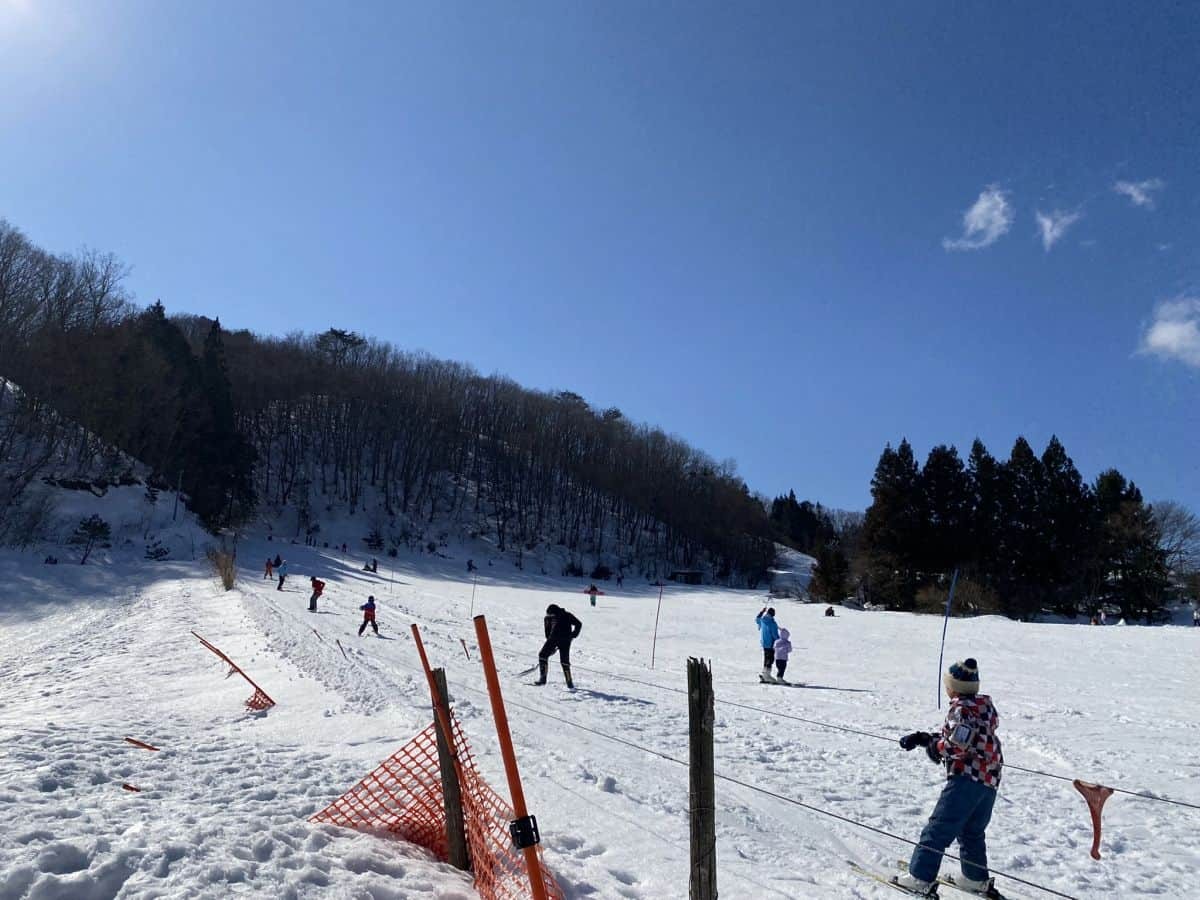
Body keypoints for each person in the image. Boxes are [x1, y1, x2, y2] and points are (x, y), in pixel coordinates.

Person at [894, 659, 1004, 898]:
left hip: (967, 777)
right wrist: (926, 738)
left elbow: (959, 742)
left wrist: (937, 748)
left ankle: (920, 877)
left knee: (939, 828)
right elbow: (970, 736)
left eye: (948, 685)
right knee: (971, 831)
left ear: (954, 688)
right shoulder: (981, 707)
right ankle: (975, 878)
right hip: (989, 779)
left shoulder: (961, 708)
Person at [535, 604, 582, 688]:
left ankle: (569, 682)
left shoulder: (567, 615)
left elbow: (578, 624)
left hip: (565, 641)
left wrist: (573, 635)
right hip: (553, 640)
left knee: (564, 662)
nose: (551, 616)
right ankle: (543, 678)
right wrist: (550, 647)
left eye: (551, 614)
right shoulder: (548, 618)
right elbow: (547, 632)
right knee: (543, 655)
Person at [755, 607, 780, 683]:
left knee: (766, 658)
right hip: (771, 644)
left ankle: (764, 673)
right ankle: (767, 675)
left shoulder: (763, 620)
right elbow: (775, 634)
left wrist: (761, 612)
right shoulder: (772, 623)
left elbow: (757, 619)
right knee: (770, 659)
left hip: (764, 643)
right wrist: (779, 642)